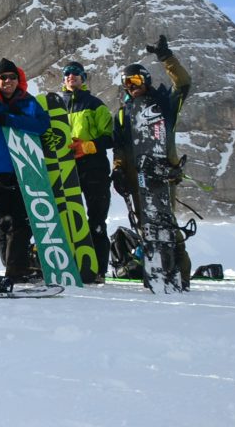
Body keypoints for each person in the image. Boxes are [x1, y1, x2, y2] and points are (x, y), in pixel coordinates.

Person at [111, 35, 192, 289]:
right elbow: (120, 148)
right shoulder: (124, 113)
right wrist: (118, 171)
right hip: (138, 176)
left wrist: (166, 58)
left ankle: (180, 275)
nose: (131, 86)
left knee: (166, 224)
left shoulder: (164, 104)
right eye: (126, 82)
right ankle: (155, 272)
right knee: (147, 227)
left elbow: (184, 85)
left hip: (164, 171)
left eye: (135, 80)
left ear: (145, 80)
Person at [0, 58, 50, 281]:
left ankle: (15, 267)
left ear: (18, 80)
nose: (8, 81)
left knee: (22, 220)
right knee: (4, 220)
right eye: (3, 77)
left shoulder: (27, 101)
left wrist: (10, 119)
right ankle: (13, 267)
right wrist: (3, 120)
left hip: (25, 166)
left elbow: (42, 124)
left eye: (12, 77)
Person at [60, 60, 115, 280]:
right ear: (63, 79)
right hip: (66, 167)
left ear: (83, 78)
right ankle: (72, 265)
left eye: (76, 73)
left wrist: (88, 146)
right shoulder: (56, 105)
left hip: (94, 168)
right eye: (67, 73)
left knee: (96, 219)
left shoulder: (95, 104)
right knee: (70, 217)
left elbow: (111, 137)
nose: (71, 76)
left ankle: (99, 269)